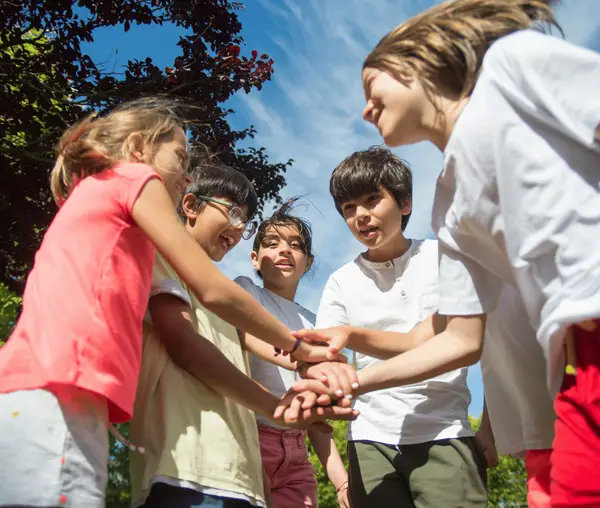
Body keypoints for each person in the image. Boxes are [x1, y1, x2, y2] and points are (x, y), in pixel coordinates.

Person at [288, 1, 600, 505]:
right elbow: (455, 337)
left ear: (412, 69)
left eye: (372, 90)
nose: (366, 110)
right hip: (568, 380)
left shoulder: (511, 69)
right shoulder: (451, 204)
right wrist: (349, 384)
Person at [0, 97, 338, 507]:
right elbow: (211, 291)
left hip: (70, 393)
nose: (186, 176)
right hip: (58, 390)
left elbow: (242, 333)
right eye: (180, 157)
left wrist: (304, 361)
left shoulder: (123, 225)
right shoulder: (132, 178)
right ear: (139, 148)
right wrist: (300, 351)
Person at [130, 167, 358, 508]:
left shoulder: (301, 319)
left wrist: (311, 362)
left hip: (242, 468)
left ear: (309, 262)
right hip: (185, 466)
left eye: (245, 220)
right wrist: (280, 397)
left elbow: (256, 344)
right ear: (189, 205)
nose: (238, 228)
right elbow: (189, 343)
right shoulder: (213, 285)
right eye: (233, 213)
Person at [313, 147, 486, 508]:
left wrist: (490, 431)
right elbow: (324, 357)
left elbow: (464, 343)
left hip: (445, 429)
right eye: (349, 208)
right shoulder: (341, 281)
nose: (361, 215)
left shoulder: (445, 260)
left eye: (372, 200)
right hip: (370, 439)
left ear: (405, 203)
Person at [235, 199, 353, 508]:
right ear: (255, 258)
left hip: (296, 455)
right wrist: (302, 358)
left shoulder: (315, 324)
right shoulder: (247, 291)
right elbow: (244, 334)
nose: (284, 250)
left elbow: (316, 418)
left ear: (309, 262)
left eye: (295, 245)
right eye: (272, 244)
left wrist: (341, 480)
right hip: (248, 441)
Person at [477, 284, 555, 508]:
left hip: (582, 415)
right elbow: (497, 364)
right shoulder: (467, 267)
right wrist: (486, 429)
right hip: (540, 437)